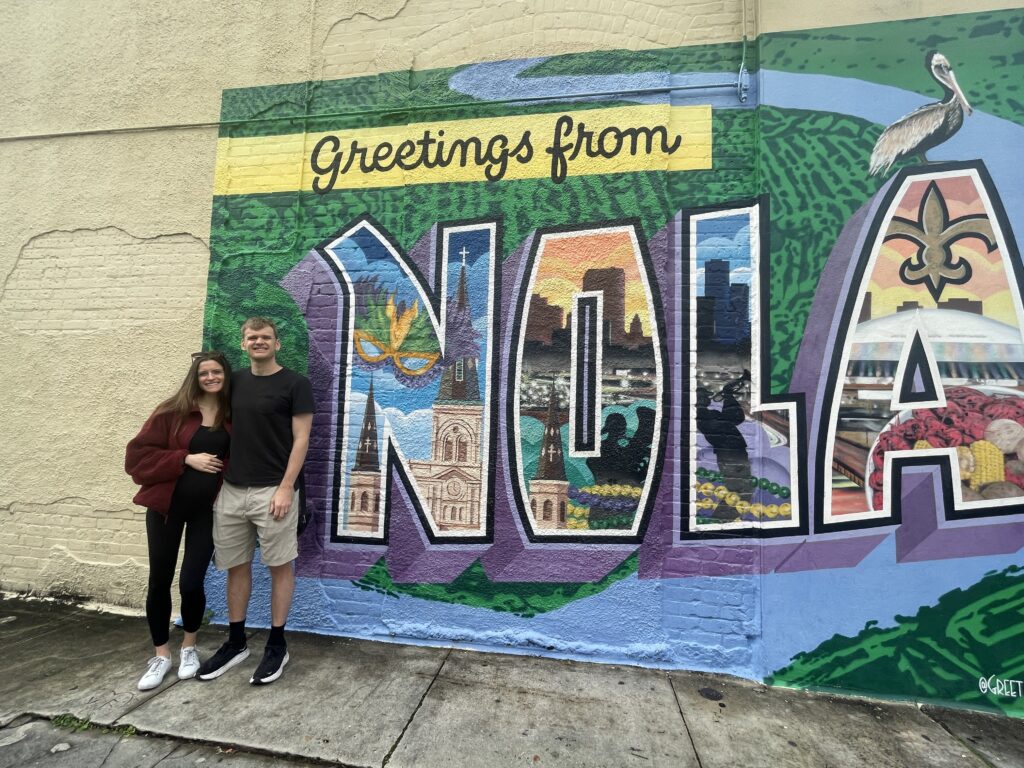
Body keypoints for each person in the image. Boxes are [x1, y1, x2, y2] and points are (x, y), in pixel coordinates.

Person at [197, 317, 314, 686]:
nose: (258, 341)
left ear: (277, 344)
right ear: (243, 343)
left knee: (279, 566)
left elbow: (302, 438)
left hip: (274, 490)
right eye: (252, 337)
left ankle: (277, 644)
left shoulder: (295, 384)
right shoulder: (234, 384)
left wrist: (286, 487)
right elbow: (202, 411)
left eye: (265, 337)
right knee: (236, 566)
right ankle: (236, 642)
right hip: (233, 490)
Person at [125, 351, 232, 691]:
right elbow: (136, 457)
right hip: (166, 509)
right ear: (195, 377)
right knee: (159, 580)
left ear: (225, 376)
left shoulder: (232, 416)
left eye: (217, 372)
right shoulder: (172, 411)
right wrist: (185, 458)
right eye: (204, 372)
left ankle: (188, 647)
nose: (211, 377)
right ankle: (161, 655)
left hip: (207, 512)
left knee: (191, 582)